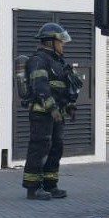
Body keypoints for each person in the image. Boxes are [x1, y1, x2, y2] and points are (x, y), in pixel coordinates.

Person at [22, 22, 79, 200]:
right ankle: (33, 188)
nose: (63, 45)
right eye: (61, 42)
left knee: (56, 148)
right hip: (42, 114)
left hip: (57, 114)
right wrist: (52, 107)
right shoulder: (38, 61)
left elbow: (62, 88)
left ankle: (50, 184)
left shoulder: (57, 62)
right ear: (49, 42)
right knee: (39, 148)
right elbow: (41, 87)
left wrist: (68, 105)